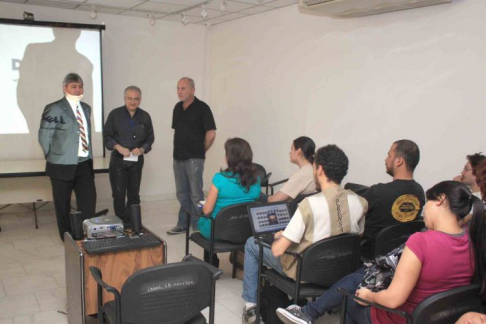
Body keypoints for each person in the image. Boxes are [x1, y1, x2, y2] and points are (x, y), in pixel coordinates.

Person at [276, 181, 485, 324]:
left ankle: (308, 314)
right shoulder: (472, 239)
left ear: (439, 200)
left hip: (401, 316)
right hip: (435, 317)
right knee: (365, 273)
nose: (424, 210)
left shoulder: (422, 241)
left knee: (351, 296)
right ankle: (307, 314)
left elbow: (393, 300)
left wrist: (368, 295)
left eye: (428, 203)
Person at [242, 145, 368, 324]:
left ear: (320, 170)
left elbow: (278, 251)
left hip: (305, 272)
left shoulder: (310, 205)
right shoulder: (360, 202)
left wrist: (280, 237)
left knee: (251, 244)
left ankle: (250, 305)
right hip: (340, 270)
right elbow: (356, 237)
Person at [38, 73, 96, 241]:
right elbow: (44, 136)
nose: (78, 90)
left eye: (80, 86)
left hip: (84, 164)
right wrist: (53, 156)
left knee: (88, 203)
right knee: (62, 205)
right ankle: (67, 238)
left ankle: (85, 235)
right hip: (61, 165)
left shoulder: (86, 108)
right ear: (65, 88)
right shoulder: (54, 108)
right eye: (74, 87)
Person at [199, 138, 261, 266]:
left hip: (218, 231)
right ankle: (239, 259)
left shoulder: (220, 179)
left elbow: (207, 210)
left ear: (230, 157)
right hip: (245, 230)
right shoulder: (256, 180)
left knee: (204, 218)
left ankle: (212, 263)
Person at [358, 140, 425, 258]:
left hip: (369, 258)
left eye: (389, 155)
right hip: (400, 256)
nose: (386, 159)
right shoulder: (419, 192)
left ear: (399, 161)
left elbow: (353, 215)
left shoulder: (378, 192)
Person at [167, 77, 216, 235]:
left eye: (183, 88)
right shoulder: (177, 108)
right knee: (181, 193)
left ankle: (198, 225)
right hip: (178, 157)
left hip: (194, 158)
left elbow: (211, 133)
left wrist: (202, 152)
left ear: (193, 90)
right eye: (178, 88)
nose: (179, 91)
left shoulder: (203, 108)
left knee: (196, 194)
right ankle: (183, 223)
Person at [104, 86, 154, 227]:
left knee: (134, 193)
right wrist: (119, 147)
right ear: (124, 98)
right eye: (129, 98)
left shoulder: (145, 116)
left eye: (136, 99)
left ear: (140, 99)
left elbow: (150, 138)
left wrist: (142, 149)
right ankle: (121, 222)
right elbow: (107, 136)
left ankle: (133, 222)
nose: (133, 102)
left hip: (137, 161)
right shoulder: (114, 115)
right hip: (118, 160)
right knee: (119, 194)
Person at [267, 136, 317, 202]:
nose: (290, 152)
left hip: (292, 209)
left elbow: (273, 201)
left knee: (259, 196)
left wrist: (270, 198)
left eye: (292, 149)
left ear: (298, 151)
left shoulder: (302, 174)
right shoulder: (311, 169)